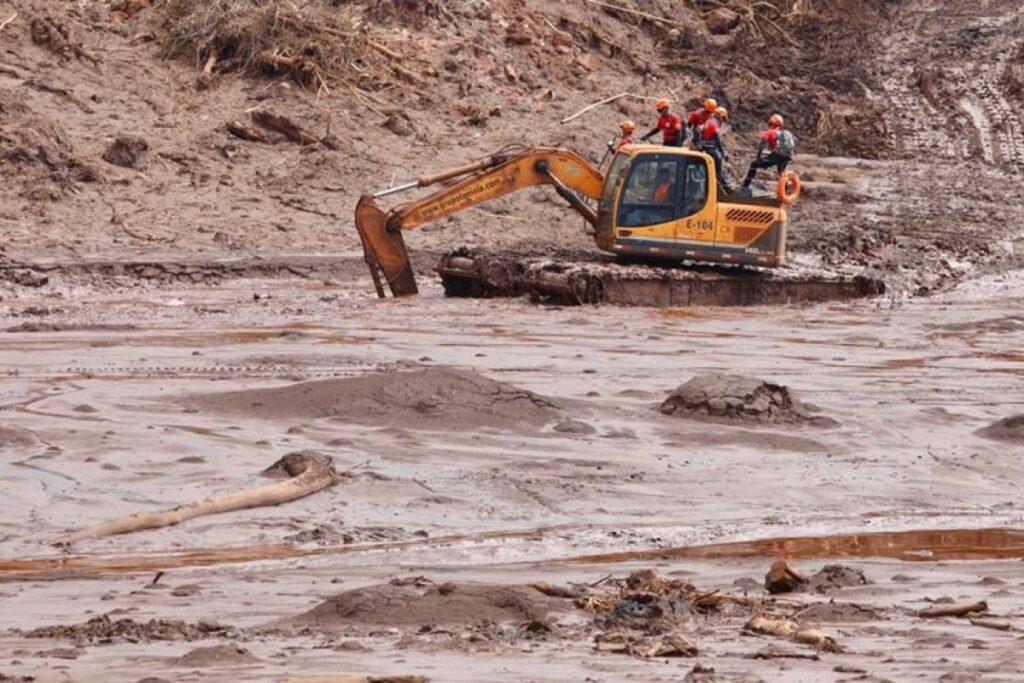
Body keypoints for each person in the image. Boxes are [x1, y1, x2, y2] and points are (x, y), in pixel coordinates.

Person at [742, 114, 796, 188]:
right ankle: (785, 191)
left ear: (771, 123)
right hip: (787, 157)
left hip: (777, 156)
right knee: (781, 173)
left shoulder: (769, 132)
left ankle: (745, 186)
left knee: (754, 164)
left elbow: (761, 145)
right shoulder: (786, 133)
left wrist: (758, 158)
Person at [698, 106, 734, 194]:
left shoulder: (708, 122)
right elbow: (717, 139)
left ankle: (722, 189)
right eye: (723, 119)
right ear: (721, 116)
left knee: (713, 172)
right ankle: (725, 189)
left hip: (706, 148)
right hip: (711, 150)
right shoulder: (714, 124)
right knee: (718, 170)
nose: (723, 122)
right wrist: (723, 152)